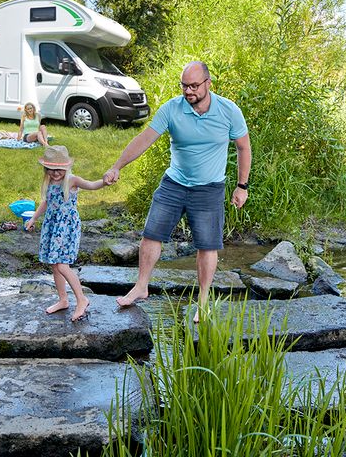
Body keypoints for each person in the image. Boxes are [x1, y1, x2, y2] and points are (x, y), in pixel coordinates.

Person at [103, 61, 251, 322]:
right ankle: (141, 286)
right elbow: (144, 139)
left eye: (194, 86)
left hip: (209, 188)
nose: (188, 91)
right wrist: (117, 166)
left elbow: (243, 147)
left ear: (208, 84)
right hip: (174, 183)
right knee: (151, 234)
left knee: (207, 245)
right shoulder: (172, 109)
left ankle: (203, 301)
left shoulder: (229, 110)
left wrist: (242, 186)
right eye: (184, 86)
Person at [25, 145, 105, 322]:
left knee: (62, 265)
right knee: (54, 265)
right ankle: (63, 299)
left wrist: (104, 181)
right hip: (53, 225)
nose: (55, 174)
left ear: (66, 167)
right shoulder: (50, 182)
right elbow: (46, 202)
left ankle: (82, 299)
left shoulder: (71, 180)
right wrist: (33, 218)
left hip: (67, 227)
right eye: (51, 170)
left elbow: (91, 185)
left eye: (59, 169)